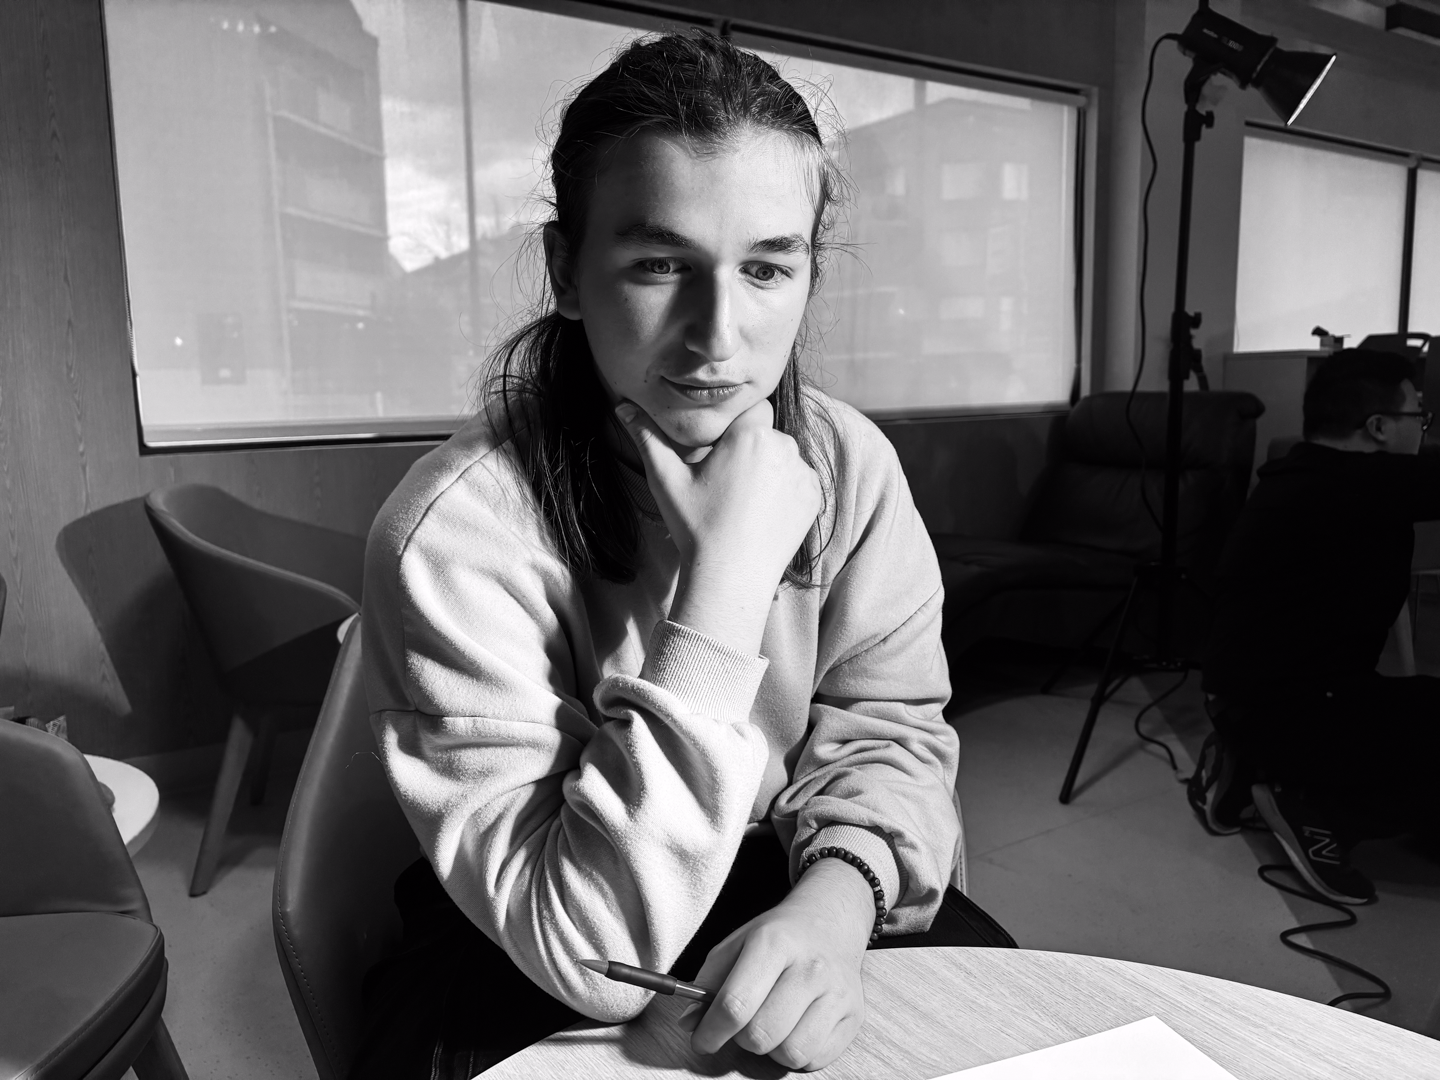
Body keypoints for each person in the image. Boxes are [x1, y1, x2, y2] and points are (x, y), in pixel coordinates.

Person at [354, 31, 1013, 1079]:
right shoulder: (457, 530)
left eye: (767, 268)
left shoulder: (849, 463)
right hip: (539, 912)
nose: (718, 336)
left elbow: (889, 728)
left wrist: (836, 902)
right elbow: (587, 943)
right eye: (660, 265)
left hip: (785, 869)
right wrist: (723, 590)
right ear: (568, 270)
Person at [1196, 348, 1440, 905]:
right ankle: (1318, 810)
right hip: (1299, 709)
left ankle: (1248, 767)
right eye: (1418, 416)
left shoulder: (1300, 471)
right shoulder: (1364, 485)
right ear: (1379, 427)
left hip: (1239, 700)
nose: (1423, 429)